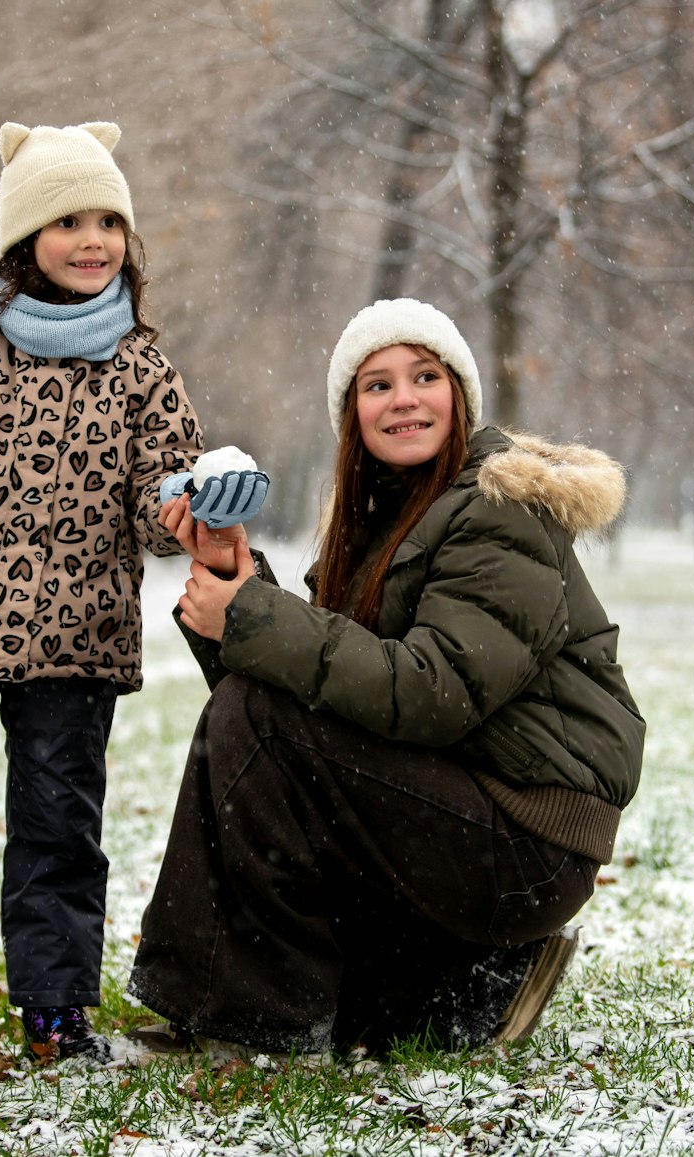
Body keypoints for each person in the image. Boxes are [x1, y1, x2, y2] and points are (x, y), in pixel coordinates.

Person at [0, 120, 267, 1082]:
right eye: (68, 217)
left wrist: (198, 501)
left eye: (109, 218)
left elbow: (160, 496)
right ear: (23, 236)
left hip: (78, 643)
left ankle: (56, 1015)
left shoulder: (141, 366)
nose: (93, 237)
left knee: (62, 832)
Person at [128, 297, 644, 1057]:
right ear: (353, 416)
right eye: (377, 385)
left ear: (458, 396)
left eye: (424, 375)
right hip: (462, 806)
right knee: (258, 719)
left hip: (527, 836)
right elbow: (327, 696)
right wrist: (232, 571)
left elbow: (432, 691)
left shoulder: (500, 509)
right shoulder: (386, 520)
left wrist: (251, 617)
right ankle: (468, 982)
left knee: (257, 717)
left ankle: (258, 1020)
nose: (403, 398)